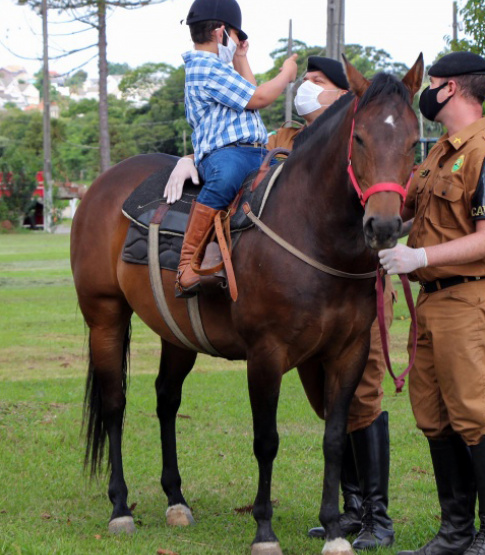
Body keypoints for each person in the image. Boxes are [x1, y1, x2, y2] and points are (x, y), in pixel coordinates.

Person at [164, 55, 396, 551]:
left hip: (351, 288)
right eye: (305, 82)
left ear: (342, 97)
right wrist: (194, 158)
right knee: (327, 402)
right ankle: (350, 507)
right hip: (301, 300)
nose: (306, 91)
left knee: (363, 397)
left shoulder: (368, 136)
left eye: (316, 84)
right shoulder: (287, 139)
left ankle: (374, 514)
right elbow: (245, 164)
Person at [378, 51, 485, 555]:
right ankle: (455, 531)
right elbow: (400, 210)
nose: (427, 91)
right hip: (431, 301)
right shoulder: (438, 153)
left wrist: (419, 253)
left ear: (452, 89)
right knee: (434, 416)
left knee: (475, 414)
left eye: (433, 82)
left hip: (470, 298)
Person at [174, 0, 297, 297]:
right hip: (225, 154)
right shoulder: (205, 67)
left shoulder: (221, 67)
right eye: (234, 35)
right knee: (225, 179)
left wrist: (241, 57)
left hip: (255, 151)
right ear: (221, 33)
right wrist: (286, 73)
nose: (236, 42)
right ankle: (187, 262)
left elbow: (249, 88)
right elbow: (259, 97)